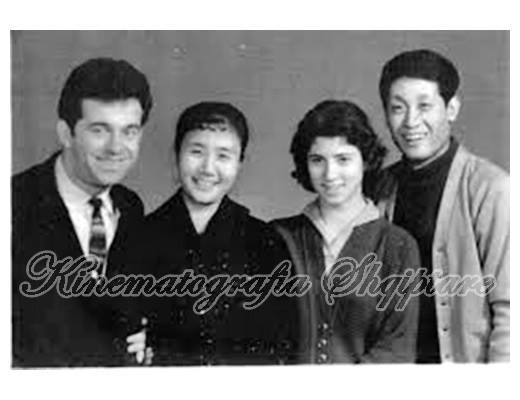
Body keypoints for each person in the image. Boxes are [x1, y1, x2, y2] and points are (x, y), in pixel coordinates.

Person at [127, 102, 300, 365]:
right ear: (177, 153)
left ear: (239, 162)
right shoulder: (139, 237)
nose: (208, 168)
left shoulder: (265, 241)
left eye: (223, 156)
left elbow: (284, 343)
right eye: (196, 152)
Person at [12, 57, 153, 367]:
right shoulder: (14, 203)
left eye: (129, 131)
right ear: (66, 133)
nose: (116, 147)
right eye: (100, 130)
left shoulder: (131, 207)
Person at [373, 49, 509, 362]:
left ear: (451, 109)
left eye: (424, 106)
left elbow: (511, 309)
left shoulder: (491, 188)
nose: (411, 122)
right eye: (398, 108)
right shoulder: (378, 188)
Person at [271, 100, 420, 363]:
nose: (330, 174)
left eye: (343, 159)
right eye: (318, 160)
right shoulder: (278, 236)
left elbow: (397, 348)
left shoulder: (397, 245)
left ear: (366, 160)